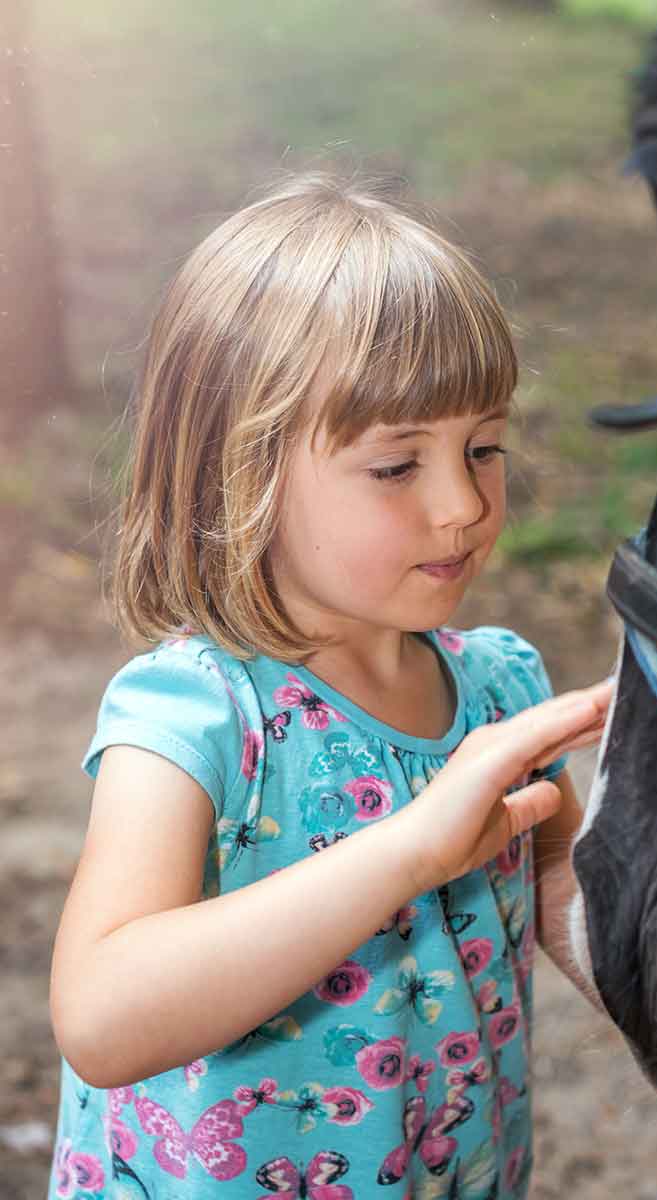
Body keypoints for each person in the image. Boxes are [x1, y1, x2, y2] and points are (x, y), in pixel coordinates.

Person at [48, 173, 611, 1200]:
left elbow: (566, 886)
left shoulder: (499, 690)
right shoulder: (194, 716)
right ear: (242, 473)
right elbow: (102, 1016)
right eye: (396, 467)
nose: (464, 506)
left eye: (483, 447)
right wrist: (408, 851)